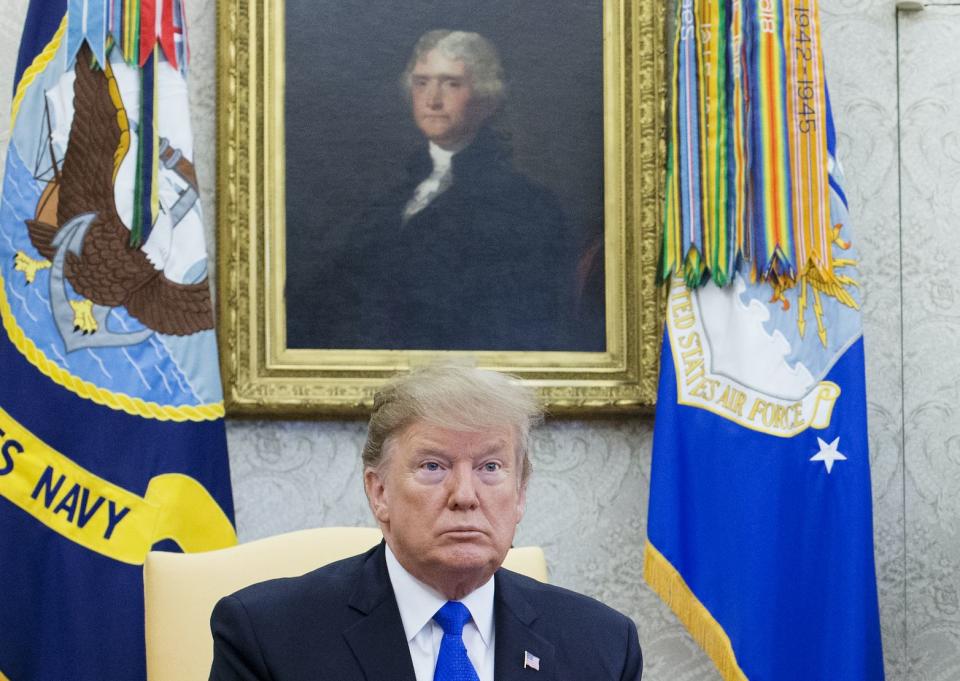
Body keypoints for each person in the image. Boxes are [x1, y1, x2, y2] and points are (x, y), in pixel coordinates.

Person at [209, 365, 642, 680]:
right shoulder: (268, 636)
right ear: (379, 492)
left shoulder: (602, 644)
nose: (465, 496)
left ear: (521, 494)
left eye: (490, 467)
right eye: (434, 466)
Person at [290, 30, 603, 352]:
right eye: (421, 82)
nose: (432, 100)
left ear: (487, 99)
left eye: (451, 83)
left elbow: (519, 323)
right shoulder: (390, 203)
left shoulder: (527, 207)